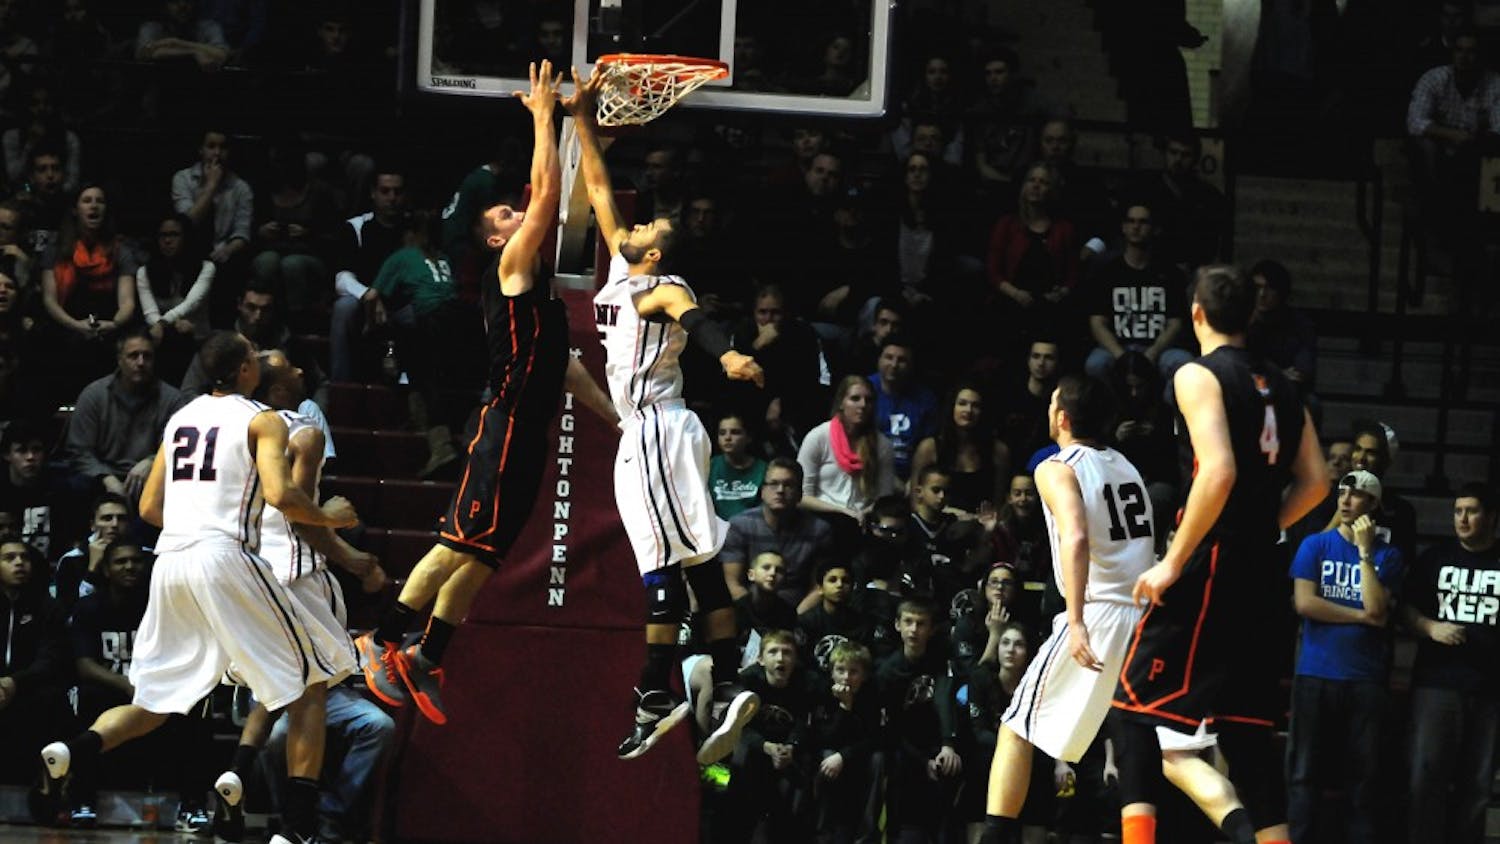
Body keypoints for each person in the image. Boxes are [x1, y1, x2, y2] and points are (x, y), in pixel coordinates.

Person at [356, 62, 614, 727]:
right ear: (497, 237)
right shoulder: (511, 265)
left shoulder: (544, 300)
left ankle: (426, 657)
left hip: (528, 430)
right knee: (455, 544)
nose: (518, 211)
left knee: (485, 555)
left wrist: (616, 420)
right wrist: (542, 119)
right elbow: (551, 194)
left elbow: (563, 369)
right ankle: (381, 641)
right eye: (507, 212)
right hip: (500, 425)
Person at [33, 330, 360, 844]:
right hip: (224, 557)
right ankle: (296, 832)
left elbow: (147, 509)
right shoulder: (262, 420)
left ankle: (73, 750)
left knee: (157, 700)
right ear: (245, 370)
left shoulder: (180, 418)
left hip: (169, 561)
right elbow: (280, 494)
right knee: (313, 682)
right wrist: (330, 517)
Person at [565, 64, 766, 763]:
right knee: (694, 558)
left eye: (645, 224)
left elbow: (694, 315)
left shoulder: (661, 285)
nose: (634, 219)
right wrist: (584, 119)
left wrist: (727, 356)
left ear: (651, 252)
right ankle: (726, 673)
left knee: (663, 563)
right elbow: (595, 186)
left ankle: (659, 688)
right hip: (645, 434)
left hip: (658, 426)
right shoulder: (624, 270)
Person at [1110, 265, 1327, 844]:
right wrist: (1264, 525)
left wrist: (1173, 561)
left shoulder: (1195, 374)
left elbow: (1219, 471)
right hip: (1262, 567)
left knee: (1130, 707)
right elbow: (1317, 482)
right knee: (1247, 737)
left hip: (1212, 564)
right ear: (1250, 314)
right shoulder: (1286, 385)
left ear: (1197, 314)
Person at [213, 350, 383, 843]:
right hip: (294, 570)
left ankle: (238, 771)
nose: (303, 370)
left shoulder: (239, 432)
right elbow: (303, 520)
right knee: (310, 690)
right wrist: (353, 558)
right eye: (291, 366)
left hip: (246, 566)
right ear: (279, 390)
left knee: (277, 684)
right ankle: (298, 829)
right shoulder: (301, 429)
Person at [979, 375, 1157, 844]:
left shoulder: (1055, 467)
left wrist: (1075, 621)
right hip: (1142, 617)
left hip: (1098, 613)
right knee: (1149, 746)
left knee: (1016, 728)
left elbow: (1076, 537)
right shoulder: (1128, 467)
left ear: (1061, 417)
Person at [1286, 469, 1404, 844]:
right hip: (1315, 675)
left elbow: (1379, 609)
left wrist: (1365, 553)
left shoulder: (1389, 555)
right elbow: (1305, 603)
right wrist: (1361, 616)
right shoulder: (1315, 546)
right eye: (1342, 493)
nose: (1345, 501)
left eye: (1356, 495)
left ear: (1374, 505)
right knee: (1304, 775)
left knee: (1364, 779)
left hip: (1365, 680)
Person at [68, 539, 216, 833]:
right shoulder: (89, 607)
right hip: (112, 688)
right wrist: (126, 685)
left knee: (196, 709)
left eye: (135, 561)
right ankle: (82, 801)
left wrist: (156, 687)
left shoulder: (162, 606)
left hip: (160, 691)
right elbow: (85, 666)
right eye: (120, 562)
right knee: (87, 698)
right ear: (106, 570)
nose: (129, 567)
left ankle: (191, 806)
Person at [1403, 483, 1500, 844]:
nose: (1462, 518)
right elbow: (1406, 610)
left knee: (1476, 783)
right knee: (1425, 778)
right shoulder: (1435, 559)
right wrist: (1430, 626)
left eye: (1472, 511)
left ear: (1492, 517)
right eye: (1458, 511)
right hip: (1436, 685)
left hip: (1490, 689)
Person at [66, 328, 190, 501]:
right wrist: (106, 478)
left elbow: (178, 447)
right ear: (119, 360)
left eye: (147, 356)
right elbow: (79, 451)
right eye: (133, 356)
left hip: (151, 478)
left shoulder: (172, 399)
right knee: (75, 485)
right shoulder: (94, 395)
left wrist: (151, 462)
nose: (141, 362)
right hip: (102, 478)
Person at [39, 183, 138, 398]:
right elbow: (49, 300)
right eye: (87, 201)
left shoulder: (121, 250)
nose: (94, 206)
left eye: (99, 201)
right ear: (75, 210)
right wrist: (76, 326)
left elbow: (127, 301)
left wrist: (113, 324)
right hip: (65, 324)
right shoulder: (56, 248)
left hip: (107, 325)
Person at [878, 598, 961, 842]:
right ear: (897, 625)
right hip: (905, 750)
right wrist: (922, 761)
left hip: (937, 743)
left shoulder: (940, 660)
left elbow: (944, 701)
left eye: (921, 623)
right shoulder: (887, 672)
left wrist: (948, 745)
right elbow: (891, 729)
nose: (914, 629)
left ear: (932, 629)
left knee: (952, 766)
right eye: (908, 622)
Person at [1084, 203, 1192, 382]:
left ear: (1154, 229)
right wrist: (1120, 355)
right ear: (1123, 227)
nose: (1136, 226)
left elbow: (1175, 323)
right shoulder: (1107, 272)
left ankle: (1168, 410)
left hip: (1159, 348)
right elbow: (1097, 323)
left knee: (1182, 363)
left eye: (1143, 222)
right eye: (1131, 221)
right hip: (1117, 347)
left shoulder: (1170, 273)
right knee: (1096, 364)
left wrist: (1153, 353)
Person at [0, 539, 72, 787]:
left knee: (50, 700)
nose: (19, 562)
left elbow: (51, 658)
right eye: (9, 558)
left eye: (24, 557)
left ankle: (47, 789)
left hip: (30, 687)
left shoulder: (47, 606)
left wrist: (14, 682)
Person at [721, 457, 834, 612]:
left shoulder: (819, 530)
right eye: (773, 484)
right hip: (750, 610)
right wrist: (753, 618)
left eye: (788, 485)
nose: (780, 490)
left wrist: (795, 618)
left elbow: (819, 587)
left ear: (800, 494)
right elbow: (732, 582)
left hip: (798, 611)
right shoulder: (739, 525)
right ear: (762, 491)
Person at [798, 375, 898, 524]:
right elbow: (801, 496)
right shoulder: (818, 437)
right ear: (841, 403)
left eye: (869, 400)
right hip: (821, 518)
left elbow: (884, 499)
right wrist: (842, 512)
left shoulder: (882, 445)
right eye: (855, 399)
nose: (863, 405)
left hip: (864, 518)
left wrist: (862, 514)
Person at [910, 380, 1012, 517]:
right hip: (938, 525)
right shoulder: (929, 448)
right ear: (952, 407)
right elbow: (916, 501)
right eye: (962, 403)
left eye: (975, 405)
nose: (968, 410)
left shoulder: (998, 451)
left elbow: (999, 503)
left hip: (982, 527)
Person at [137, 212, 214, 385]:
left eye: (174, 235)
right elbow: (150, 312)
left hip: (197, 339)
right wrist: (164, 325)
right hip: (163, 339)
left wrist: (163, 323)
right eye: (163, 235)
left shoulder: (206, 267)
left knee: (183, 333)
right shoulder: (144, 272)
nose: (168, 240)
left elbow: (191, 303)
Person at [867, 335, 936, 482]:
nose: (894, 364)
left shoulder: (925, 399)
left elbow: (928, 447)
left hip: (910, 477)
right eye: (889, 357)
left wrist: (915, 481)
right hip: (869, 471)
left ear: (911, 365)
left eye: (902, 360)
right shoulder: (864, 390)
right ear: (879, 359)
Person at [709, 413, 767, 521]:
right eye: (722, 433)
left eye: (735, 432)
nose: (727, 437)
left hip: (753, 529)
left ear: (748, 437)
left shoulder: (763, 469)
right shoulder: (709, 467)